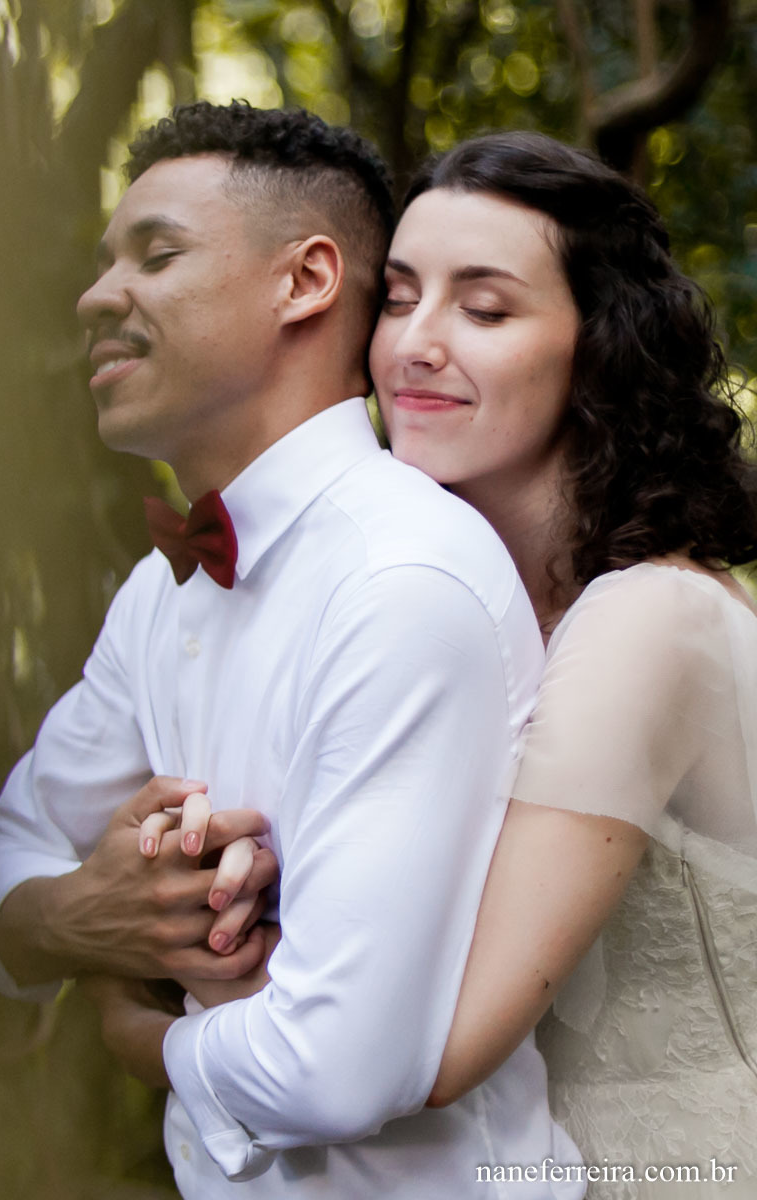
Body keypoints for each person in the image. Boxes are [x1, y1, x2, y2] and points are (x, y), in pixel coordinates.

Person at [0, 103, 582, 1199]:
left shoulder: (403, 580)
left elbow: (334, 1069)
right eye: (108, 263)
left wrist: (129, 1032)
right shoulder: (162, 592)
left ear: (302, 283)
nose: (96, 296)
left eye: (155, 254)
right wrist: (76, 916)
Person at [367, 132, 757, 1197]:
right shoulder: (454, 621)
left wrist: (151, 1014)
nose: (415, 343)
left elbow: (435, 1049)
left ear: (600, 349)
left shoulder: (649, 620)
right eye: (397, 300)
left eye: (483, 310)